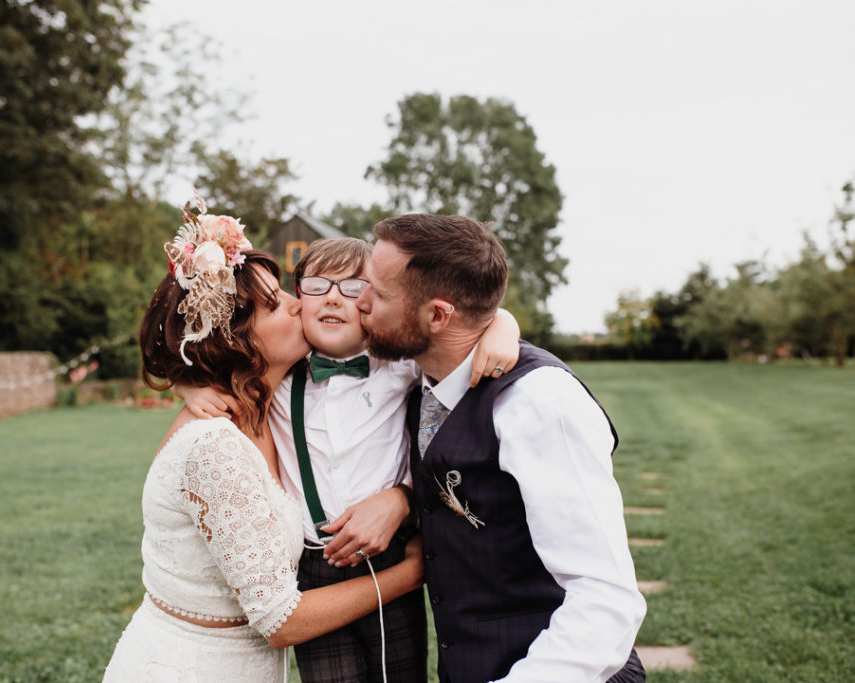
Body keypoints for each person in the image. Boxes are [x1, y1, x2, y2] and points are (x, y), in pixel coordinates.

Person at [102, 200, 424, 683]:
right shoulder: (216, 441)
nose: (303, 304)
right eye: (278, 303)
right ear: (236, 337)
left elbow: (451, 334)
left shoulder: (261, 403)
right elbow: (279, 619)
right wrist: (415, 571)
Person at [177, 236, 522, 683]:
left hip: (390, 551)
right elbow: (197, 354)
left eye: (353, 288)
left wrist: (504, 324)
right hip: (312, 563)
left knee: (402, 673)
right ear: (298, 300)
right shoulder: (278, 373)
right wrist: (190, 385)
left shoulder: (400, 364)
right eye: (318, 285)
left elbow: (463, 326)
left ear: (373, 304)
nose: (335, 298)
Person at [355, 214, 648, 683]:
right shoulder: (415, 375)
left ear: (437, 315)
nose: (360, 303)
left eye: (379, 293)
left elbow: (605, 597)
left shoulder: (539, 404)